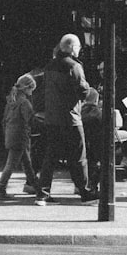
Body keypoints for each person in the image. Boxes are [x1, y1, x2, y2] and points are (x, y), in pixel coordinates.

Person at [36, 34, 96, 204]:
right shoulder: (74, 66)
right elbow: (83, 91)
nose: (79, 50)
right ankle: (85, 191)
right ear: (71, 47)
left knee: (50, 156)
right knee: (78, 155)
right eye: (77, 47)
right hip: (70, 117)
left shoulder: (49, 66)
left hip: (52, 117)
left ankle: (42, 193)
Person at [0, 73, 43, 200]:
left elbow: (4, 120)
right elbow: (30, 119)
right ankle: (0, 188)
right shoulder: (24, 103)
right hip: (21, 137)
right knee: (11, 165)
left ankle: (38, 189)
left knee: (28, 165)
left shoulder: (11, 101)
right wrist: (44, 125)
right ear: (27, 88)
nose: (32, 92)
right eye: (31, 89)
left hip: (11, 135)